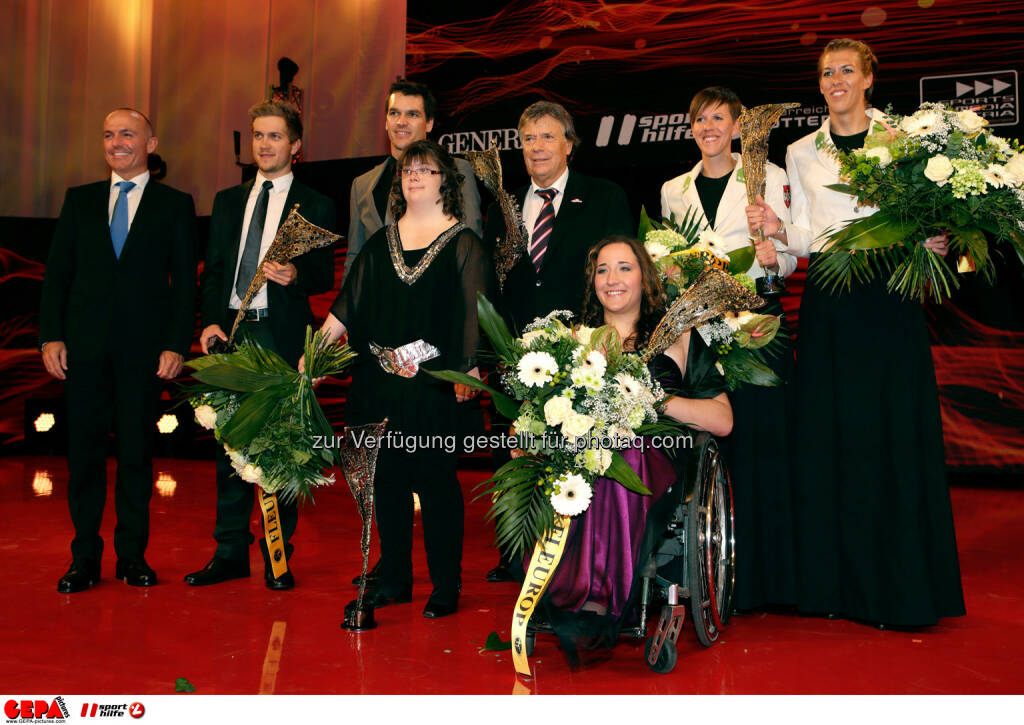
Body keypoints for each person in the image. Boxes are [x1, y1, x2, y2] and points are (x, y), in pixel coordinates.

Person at [746, 38, 965, 627]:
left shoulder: (909, 141)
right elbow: (806, 234)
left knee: (892, 433)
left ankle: (903, 587)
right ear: (819, 85)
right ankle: (835, 588)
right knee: (833, 436)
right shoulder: (799, 151)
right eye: (826, 73)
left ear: (870, 78)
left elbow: (931, 219)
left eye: (846, 70)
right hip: (830, 304)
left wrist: (935, 239)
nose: (835, 80)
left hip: (890, 298)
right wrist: (775, 229)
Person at [311, 139, 490, 618]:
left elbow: (474, 313)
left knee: (435, 484)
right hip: (378, 385)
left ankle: (445, 585)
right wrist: (311, 361)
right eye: (408, 170)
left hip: (434, 387)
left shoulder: (463, 243)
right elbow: (345, 310)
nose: (414, 176)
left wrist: (469, 370)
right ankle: (393, 579)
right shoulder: (378, 243)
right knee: (384, 482)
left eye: (426, 170)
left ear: (445, 183)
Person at [539, 235, 732, 660]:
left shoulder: (677, 338)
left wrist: (654, 400)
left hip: (655, 456)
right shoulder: (572, 340)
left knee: (621, 453)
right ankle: (578, 589)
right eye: (603, 269)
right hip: (584, 455)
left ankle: (597, 596)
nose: (613, 279)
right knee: (579, 457)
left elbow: (723, 419)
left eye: (625, 267)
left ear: (645, 278)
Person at [40, 108, 197, 593]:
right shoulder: (79, 200)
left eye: (127, 134)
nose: (116, 142)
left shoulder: (175, 204)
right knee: (83, 459)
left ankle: (132, 557)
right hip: (82, 352)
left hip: (142, 353)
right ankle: (83, 558)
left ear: (151, 143)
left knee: (135, 457)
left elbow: (184, 286)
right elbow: (57, 276)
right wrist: (50, 335)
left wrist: (176, 344)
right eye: (108, 134)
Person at [184, 100, 337, 591]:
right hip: (233, 333)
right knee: (229, 444)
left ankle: (277, 554)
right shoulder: (228, 201)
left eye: (275, 136)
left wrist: (294, 276)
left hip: (280, 333)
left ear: (296, 146)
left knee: (281, 448)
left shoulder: (315, 204)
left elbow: (321, 275)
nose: (264, 144)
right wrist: (209, 324)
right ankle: (229, 550)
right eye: (257, 135)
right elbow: (211, 272)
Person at [484, 100, 634, 582]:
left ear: (569, 144)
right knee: (517, 451)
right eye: (528, 139)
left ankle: (579, 553)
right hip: (516, 356)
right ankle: (517, 550)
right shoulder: (502, 206)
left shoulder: (604, 196)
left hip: (582, 350)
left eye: (548, 136)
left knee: (577, 450)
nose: (537, 147)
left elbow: (620, 273)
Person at [662, 86, 798, 611]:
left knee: (762, 450)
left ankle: (763, 580)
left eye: (719, 118)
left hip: (757, 328)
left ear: (739, 126)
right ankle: (704, 573)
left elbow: (786, 255)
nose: (708, 128)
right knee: (707, 451)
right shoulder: (674, 190)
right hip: (700, 332)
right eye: (699, 120)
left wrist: (773, 255)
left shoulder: (770, 176)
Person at [345, 79, 482, 279]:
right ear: (385, 121)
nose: (401, 121)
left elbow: (471, 246)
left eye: (412, 114)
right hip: (376, 302)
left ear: (429, 123)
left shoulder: (456, 170)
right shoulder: (362, 184)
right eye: (394, 113)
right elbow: (354, 257)